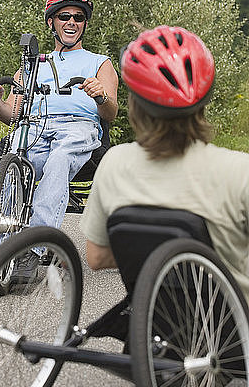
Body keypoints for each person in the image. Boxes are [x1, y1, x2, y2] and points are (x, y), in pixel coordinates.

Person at [80, 25, 249, 304]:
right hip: (231, 333)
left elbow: (96, 256)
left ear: (135, 103)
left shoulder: (114, 163)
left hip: (154, 328)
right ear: (204, 100)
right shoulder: (238, 171)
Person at [0, 0, 119, 278]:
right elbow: (13, 114)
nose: (71, 22)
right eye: (64, 16)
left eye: (78, 17)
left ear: (84, 23)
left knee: (59, 159)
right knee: (13, 157)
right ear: (51, 23)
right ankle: (6, 247)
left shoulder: (100, 62)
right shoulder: (32, 63)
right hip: (35, 126)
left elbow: (111, 113)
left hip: (78, 129)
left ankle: (34, 248)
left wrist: (100, 96)